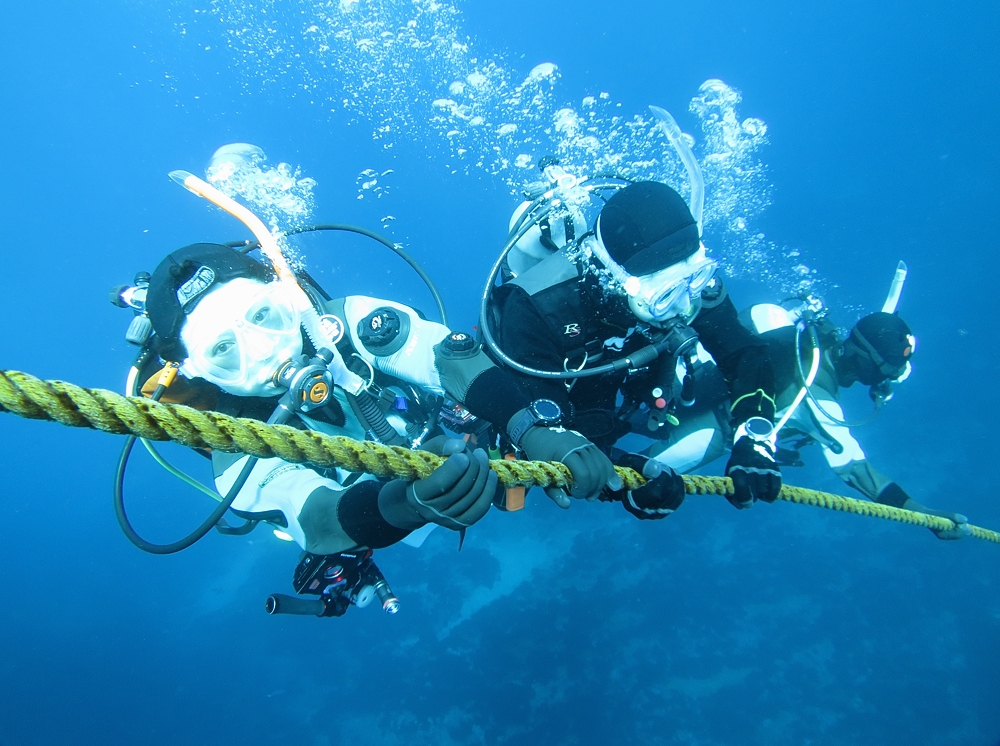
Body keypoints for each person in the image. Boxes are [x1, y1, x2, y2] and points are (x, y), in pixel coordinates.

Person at [137, 240, 621, 564]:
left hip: (441, 439)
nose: (265, 350)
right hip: (373, 514)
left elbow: (450, 360)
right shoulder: (229, 440)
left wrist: (532, 428)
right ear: (192, 370)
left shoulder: (346, 322)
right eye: (224, 350)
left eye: (263, 315)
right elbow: (316, 519)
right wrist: (406, 504)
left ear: (287, 298)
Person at [485, 179, 783, 518]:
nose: (686, 306)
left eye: (696, 280)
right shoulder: (533, 306)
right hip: (562, 402)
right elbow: (544, 431)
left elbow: (742, 352)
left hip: (638, 394)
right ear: (615, 277)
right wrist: (623, 475)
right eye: (665, 297)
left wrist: (755, 435)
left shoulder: (685, 278)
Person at [738, 299, 970, 539]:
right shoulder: (816, 398)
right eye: (884, 374)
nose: (885, 382)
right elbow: (857, 470)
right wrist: (923, 514)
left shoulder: (823, 337)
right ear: (866, 365)